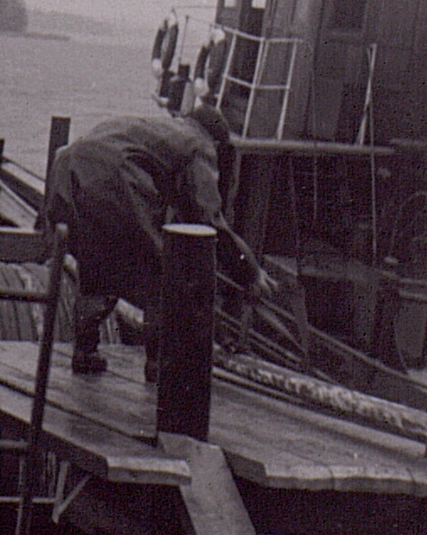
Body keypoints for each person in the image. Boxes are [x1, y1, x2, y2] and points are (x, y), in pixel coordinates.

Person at [39, 103, 274, 379]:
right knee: (162, 273)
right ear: (217, 139)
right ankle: (161, 364)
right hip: (114, 177)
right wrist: (250, 272)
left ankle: (85, 352)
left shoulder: (161, 128)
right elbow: (210, 220)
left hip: (66, 169)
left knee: (95, 265)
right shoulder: (200, 146)